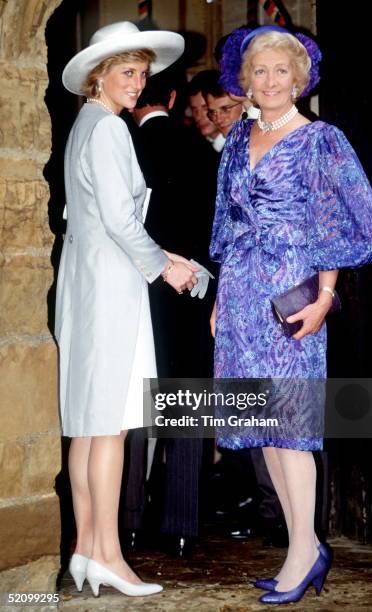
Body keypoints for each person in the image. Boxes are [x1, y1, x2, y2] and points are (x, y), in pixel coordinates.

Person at [209, 25, 372, 605]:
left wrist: (326, 295)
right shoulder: (237, 137)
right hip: (241, 293)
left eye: (281, 70)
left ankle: (304, 553)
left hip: (292, 291)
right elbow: (229, 222)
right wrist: (219, 300)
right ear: (247, 81)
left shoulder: (320, 140)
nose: (270, 81)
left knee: (292, 425)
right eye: (259, 71)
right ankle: (303, 546)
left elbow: (338, 220)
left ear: (299, 78)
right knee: (265, 426)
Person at [55, 21, 200, 598]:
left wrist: (167, 255)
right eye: (126, 72)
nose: (137, 83)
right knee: (110, 425)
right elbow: (119, 220)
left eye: (142, 73)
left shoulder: (85, 124)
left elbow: (98, 219)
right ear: (100, 75)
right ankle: (110, 555)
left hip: (88, 282)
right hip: (111, 287)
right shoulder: (110, 130)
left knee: (88, 426)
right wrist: (165, 265)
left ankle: (85, 549)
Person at [121, 75, 215, 556]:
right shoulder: (201, 150)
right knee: (187, 395)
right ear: (175, 99)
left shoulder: (123, 142)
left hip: (134, 287)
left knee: (134, 400)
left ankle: (130, 519)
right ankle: (182, 525)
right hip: (191, 287)